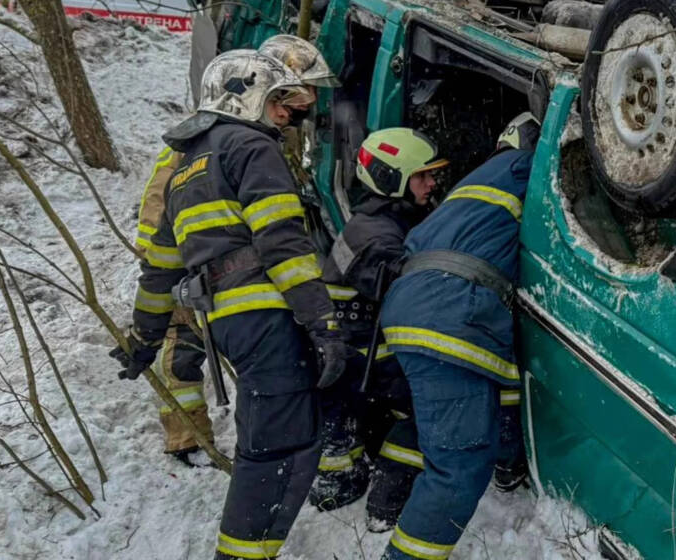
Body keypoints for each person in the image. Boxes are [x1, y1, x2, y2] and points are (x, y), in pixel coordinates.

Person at [111, 50, 352, 560]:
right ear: (243, 97)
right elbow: (283, 242)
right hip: (267, 317)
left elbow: (159, 269)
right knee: (280, 447)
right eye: (278, 100)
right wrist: (322, 321)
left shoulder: (183, 171)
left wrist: (143, 339)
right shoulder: (250, 146)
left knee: (268, 437)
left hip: (226, 324)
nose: (287, 113)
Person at [377, 112, 539, 560]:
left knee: (477, 409)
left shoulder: (475, 185)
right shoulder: (528, 166)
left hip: (415, 307)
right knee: (457, 468)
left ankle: (506, 465)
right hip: (450, 314)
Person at [307, 127, 444, 513]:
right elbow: (412, 290)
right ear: (391, 178)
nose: (432, 182)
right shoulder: (376, 238)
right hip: (362, 350)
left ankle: (353, 471)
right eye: (422, 175)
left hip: (360, 344)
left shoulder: (382, 221)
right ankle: (389, 499)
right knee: (432, 403)